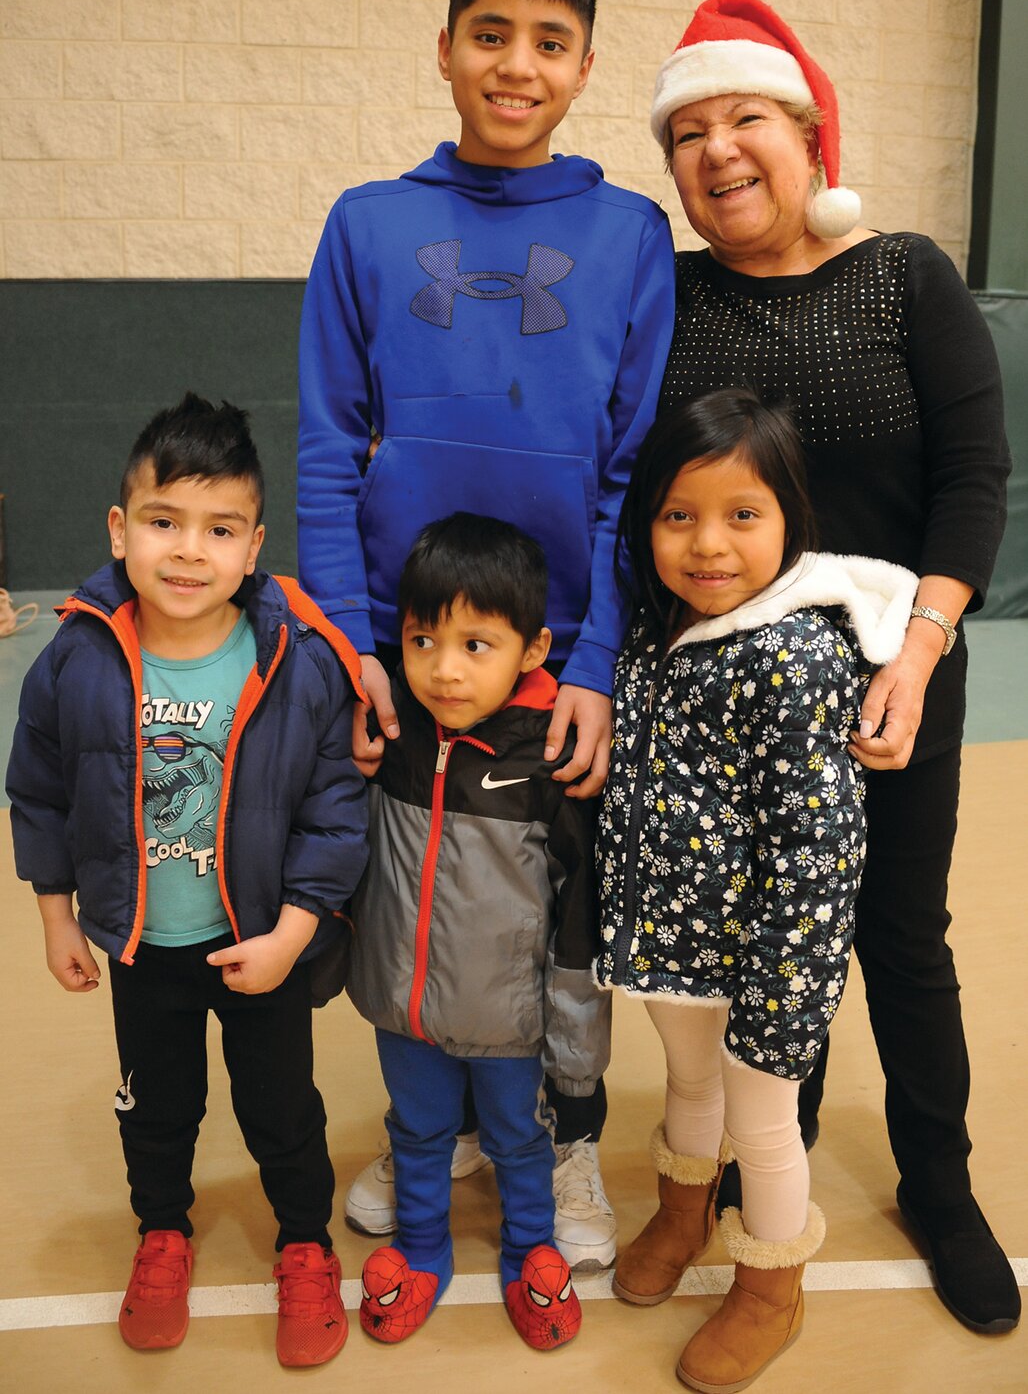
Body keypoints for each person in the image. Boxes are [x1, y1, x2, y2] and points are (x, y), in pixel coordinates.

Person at [297, 0, 675, 1271]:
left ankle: (569, 1145)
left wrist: (592, 665)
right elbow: (330, 449)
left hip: (555, 667)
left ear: (582, 68)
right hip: (415, 659)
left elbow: (633, 475)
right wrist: (354, 650)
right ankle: (452, 1124)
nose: (518, 64)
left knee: (561, 931)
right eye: (493, 33)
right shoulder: (369, 222)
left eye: (551, 40)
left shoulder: (631, 234)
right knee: (426, 903)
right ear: (446, 46)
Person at [650, 0, 1019, 1336]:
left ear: (810, 130)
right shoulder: (671, 294)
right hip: (724, 701)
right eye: (686, 132)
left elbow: (977, 481)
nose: (717, 149)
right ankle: (762, 1185)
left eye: (744, 116)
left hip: (889, 669)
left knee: (899, 940)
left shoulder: (905, 272)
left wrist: (922, 651)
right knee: (750, 952)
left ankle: (942, 1182)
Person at [5, 394, 369, 1368]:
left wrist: (294, 933)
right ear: (121, 530)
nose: (187, 551)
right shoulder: (78, 655)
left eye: (218, 530)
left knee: (282, 1111)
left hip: (260, 948)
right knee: (157, 1110)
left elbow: (337, 814)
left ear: (253, 547)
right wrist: (56, 918)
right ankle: (161, 1231)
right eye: (163, 522)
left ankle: (303, 1242)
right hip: (140, 947)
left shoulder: (295, 660)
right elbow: (35, 790)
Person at [597, 388, 918, 1390]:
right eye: (678, 516)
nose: (708, 546)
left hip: (764, 967)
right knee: (685, 1087)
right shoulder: (655, 636)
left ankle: (769, 1285)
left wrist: (783, 998)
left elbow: (816, 852)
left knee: (763, 1124)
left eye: (742, 516)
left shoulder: (793, 657)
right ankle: (682, 1212)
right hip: (671, 946)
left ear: (789, 523)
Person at [346, 513, 608, 1350]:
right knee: (415, 1130)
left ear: (534, 649)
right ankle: (421, 1248)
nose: (443, 670)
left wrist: (574, 1048)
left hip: (511, 1022)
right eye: (422, 641)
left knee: (518, 1140)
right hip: (405, 1009)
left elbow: (578, 918)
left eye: (475, 645)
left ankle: (530, 1248)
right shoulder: (392, 733)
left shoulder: (548, 757)